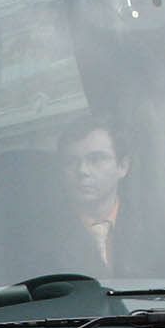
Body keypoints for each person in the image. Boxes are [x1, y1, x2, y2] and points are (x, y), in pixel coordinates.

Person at [59, 117, 133, 274]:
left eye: (96, 159)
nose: (82, 171)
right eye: (71, 161)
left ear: (123, 166)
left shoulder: (157, 230)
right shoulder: (41, 240)